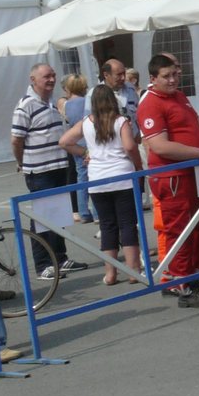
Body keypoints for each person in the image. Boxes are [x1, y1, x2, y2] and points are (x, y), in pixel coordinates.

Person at [136, 54, 199, 308]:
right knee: (180, 231)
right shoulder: (150, 103)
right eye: (166, 76)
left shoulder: (179, 97)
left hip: (198, 174)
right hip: (173, 177)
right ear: (153, 78)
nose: (173, 80)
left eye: (175, 74)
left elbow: (197, 128)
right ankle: (184, 285)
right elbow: (159, 145)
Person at [60, 85, 143, 286]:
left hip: (98, 179)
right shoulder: (121, 121)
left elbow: (64, 141)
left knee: (108, 226)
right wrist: (138, 166)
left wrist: (85, 153)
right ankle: (133, 271)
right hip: (122, 176)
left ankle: (111, 273)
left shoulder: (86, 123)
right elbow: (130, 146)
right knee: (127, 224)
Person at [10, 63, 85, 278]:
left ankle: (60, 259)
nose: (52, 79)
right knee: (42, 218)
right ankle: (43, 265)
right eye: (46, 76)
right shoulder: (26, 105)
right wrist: (22, 163)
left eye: (53, 75)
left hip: (58, 167)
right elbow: (16, 139)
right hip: (40, 171)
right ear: (33, 80)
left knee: (59, 215)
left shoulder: (51, 102)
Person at [59, 73, 93, 222]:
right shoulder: (85, 102)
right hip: (87, 142)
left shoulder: (66, 104)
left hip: (74, 143)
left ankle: (83, 211)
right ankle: (96, 213)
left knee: (81, 177)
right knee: (92, 178)